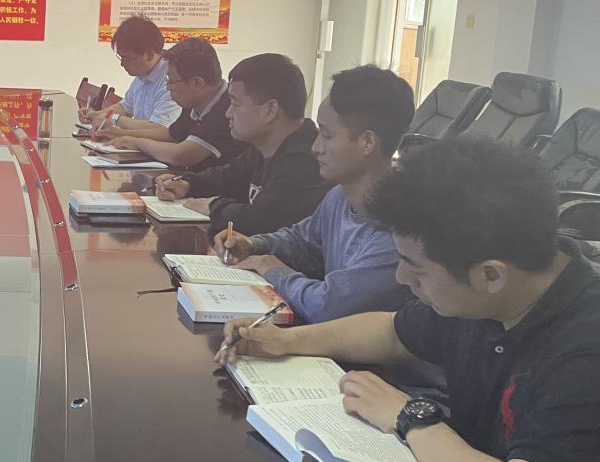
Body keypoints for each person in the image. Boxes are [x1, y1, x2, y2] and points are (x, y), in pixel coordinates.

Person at [215, 138, 600, 462]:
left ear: (491, 275)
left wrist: (410, 416)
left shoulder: (584, 348)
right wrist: (285, 340)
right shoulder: (492, 292)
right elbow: (392, 332)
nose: (400, 278)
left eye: (414, 267)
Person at [216, 65, 416, 322]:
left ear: (367, 142)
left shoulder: (397, 231)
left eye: (327, 136)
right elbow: (302, 240)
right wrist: (255, 244)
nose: (315, 147)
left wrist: (271, 267)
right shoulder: (339, 196)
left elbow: (327, 306)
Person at [152, 53, 330, 236]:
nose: (228, 113)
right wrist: (187, 183)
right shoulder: (264, 146)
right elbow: (227, 176)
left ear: (270, 110)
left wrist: (213, 206)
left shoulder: (306, 160)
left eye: (235, 104)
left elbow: (259, 220)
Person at [108, 37, 248, 170]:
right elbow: (172, 136)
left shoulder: (226, 110)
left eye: (171, 81)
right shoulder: (194, 104)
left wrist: (136, 143)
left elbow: (180, 155)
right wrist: (121, 134)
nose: (168, 87)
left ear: (197, 83)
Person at [79, 16, 181, 136]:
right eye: (120, 57)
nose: (122, 64)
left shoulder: (172, 80)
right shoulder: (143, 74)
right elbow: (125, 108)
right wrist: (97, 115)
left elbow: (159, 128)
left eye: (126, 58)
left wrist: (114, 119)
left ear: (149, 55)